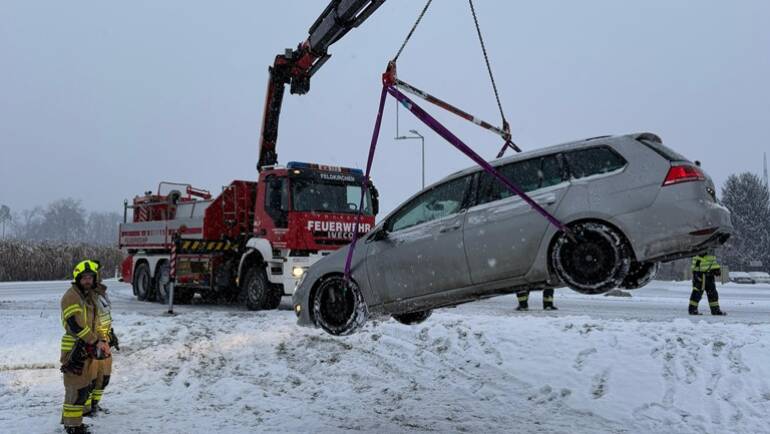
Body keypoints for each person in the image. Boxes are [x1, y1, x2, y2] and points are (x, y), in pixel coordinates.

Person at [60, 260, 111, 434]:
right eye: (85, 278)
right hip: (74, 350)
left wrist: (103, 339)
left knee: (84, 389)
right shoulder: (71, 296)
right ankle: (72, 427)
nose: (88, 281)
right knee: (76, 389)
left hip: (86, 348)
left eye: (91, 277)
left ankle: (75, 423)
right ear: (78, 278)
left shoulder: (87, 296)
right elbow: (74, 324)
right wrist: (95, 341)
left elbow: (98, 320)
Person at [83, 263, 118, 417]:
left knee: (103, 378)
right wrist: (95, 341)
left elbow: (105, 317)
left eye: (95, 275)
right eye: (89, 276)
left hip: (105, 341)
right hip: (94, 343)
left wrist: (111, 335)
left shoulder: (102, 293)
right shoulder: (84, 295)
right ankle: (86, 409)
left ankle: (95, 404)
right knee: (90, 380)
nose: (93, 279)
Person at [689, 252, 726, 316]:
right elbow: (699, 262)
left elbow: (712, 262)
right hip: (701, 276)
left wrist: (716, 269)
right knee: (697, 293)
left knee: (713, 294)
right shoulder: (702, 249)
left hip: (709, 276)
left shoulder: (711, 251)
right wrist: (696, 273)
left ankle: (715, 310)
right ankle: (692, 310)